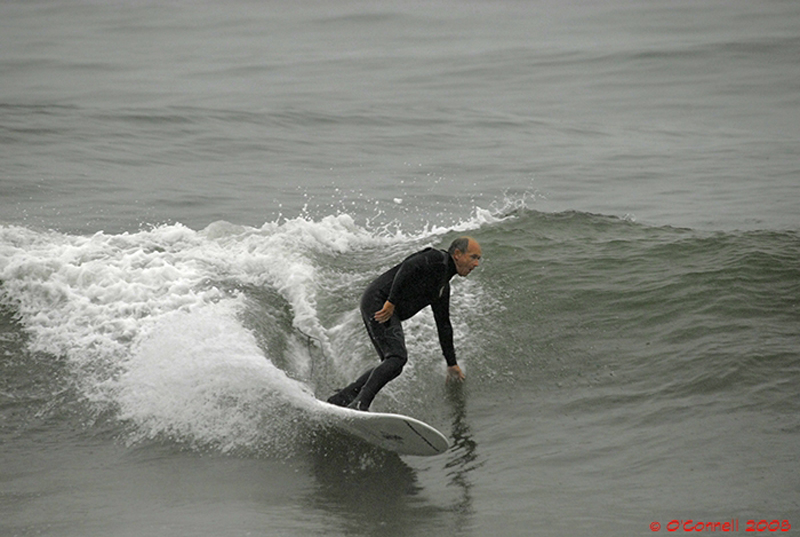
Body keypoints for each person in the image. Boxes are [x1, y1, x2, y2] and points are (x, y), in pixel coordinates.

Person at [327, 236, 482, 411]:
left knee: (393, 363)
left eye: (478, 259)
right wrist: (391, 301)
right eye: (473, 257)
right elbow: (409, 265)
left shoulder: (442, 288)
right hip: (379, 300)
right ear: (457, 254)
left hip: (382, 304)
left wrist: (451, 363)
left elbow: (444, 325)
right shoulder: (436, 258)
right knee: (397, 357)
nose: (476, 264)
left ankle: (342, 398)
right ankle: (360, 404)